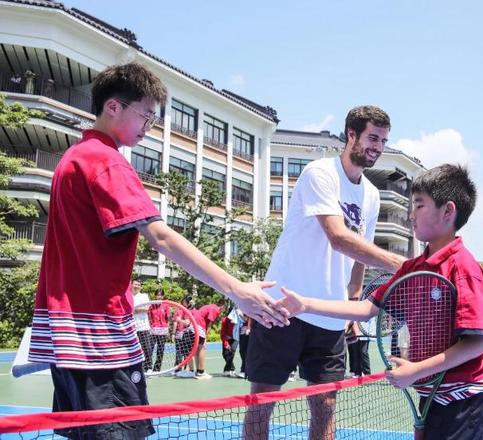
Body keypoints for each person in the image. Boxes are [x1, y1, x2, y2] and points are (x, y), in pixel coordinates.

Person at [26, 62, 289, 439]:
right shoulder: (104, 161)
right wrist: (236, 289)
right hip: (98, 339)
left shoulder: (73, 158)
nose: (149, 127)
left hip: (72, 339)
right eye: (146, 115)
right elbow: (160, 237)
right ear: (113, 107)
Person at [279, 165, 483, 440]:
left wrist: (416, 370)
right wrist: (305, 304)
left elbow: (476, 343)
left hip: (465, 397)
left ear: (448, 211)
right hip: (431, 393)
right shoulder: (412, 268)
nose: (411, 214)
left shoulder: (464, 268)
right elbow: (365, 309)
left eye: (419, 205)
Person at [243, 105, 406, 440]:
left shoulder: (372, 196)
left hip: (329, 316)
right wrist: (402, 266)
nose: (378, 146)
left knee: (326, 405)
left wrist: (351, 305)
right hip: (281, 307)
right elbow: (338, 237)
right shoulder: (320, 173)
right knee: (262, 401)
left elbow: (360, 253)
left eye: (383, 140)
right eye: (372, 137)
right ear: (351, 135)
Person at [194, 303, 222, 379]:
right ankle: (201, 372)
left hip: (194, 324)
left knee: (197, 349)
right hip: (199, 325)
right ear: (223, 306)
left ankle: (198, 371)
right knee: (202, 348)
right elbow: (210, 323)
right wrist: (205, 335)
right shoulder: (216, 309)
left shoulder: (210, 306)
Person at [132, 279, 153, 372]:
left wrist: (134, 310)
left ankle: (148, 367)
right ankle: (137, 367)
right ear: (131, 285)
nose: (137, 286)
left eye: (138, 285)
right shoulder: (127, 296)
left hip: (143, 327)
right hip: (131, 327)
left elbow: (146, 308)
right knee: (133, 348)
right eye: (135, 284)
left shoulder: (144, 296)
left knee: (146, 347)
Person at [147, 289, 169, 373]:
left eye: (161, 295)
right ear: (155, 296)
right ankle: (148, 367)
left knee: (160, 350)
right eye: (158, 295)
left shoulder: (166, 305)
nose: (159, 296)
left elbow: (168, 318)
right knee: (150, 349)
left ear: (163, 296)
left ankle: (157, 369)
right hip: (153, 330)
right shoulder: (151, 306)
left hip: (163, 330)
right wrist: (150, 326)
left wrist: (168, 330)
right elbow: (149, 317)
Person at [220, 308, 239, 377]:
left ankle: (227, 370)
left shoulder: (239, 320)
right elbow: (223, 333)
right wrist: (226, 343)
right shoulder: (225, 320)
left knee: (232, 351)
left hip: (235, 338)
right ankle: (232, 368)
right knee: (225, 354)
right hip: (226, 339)